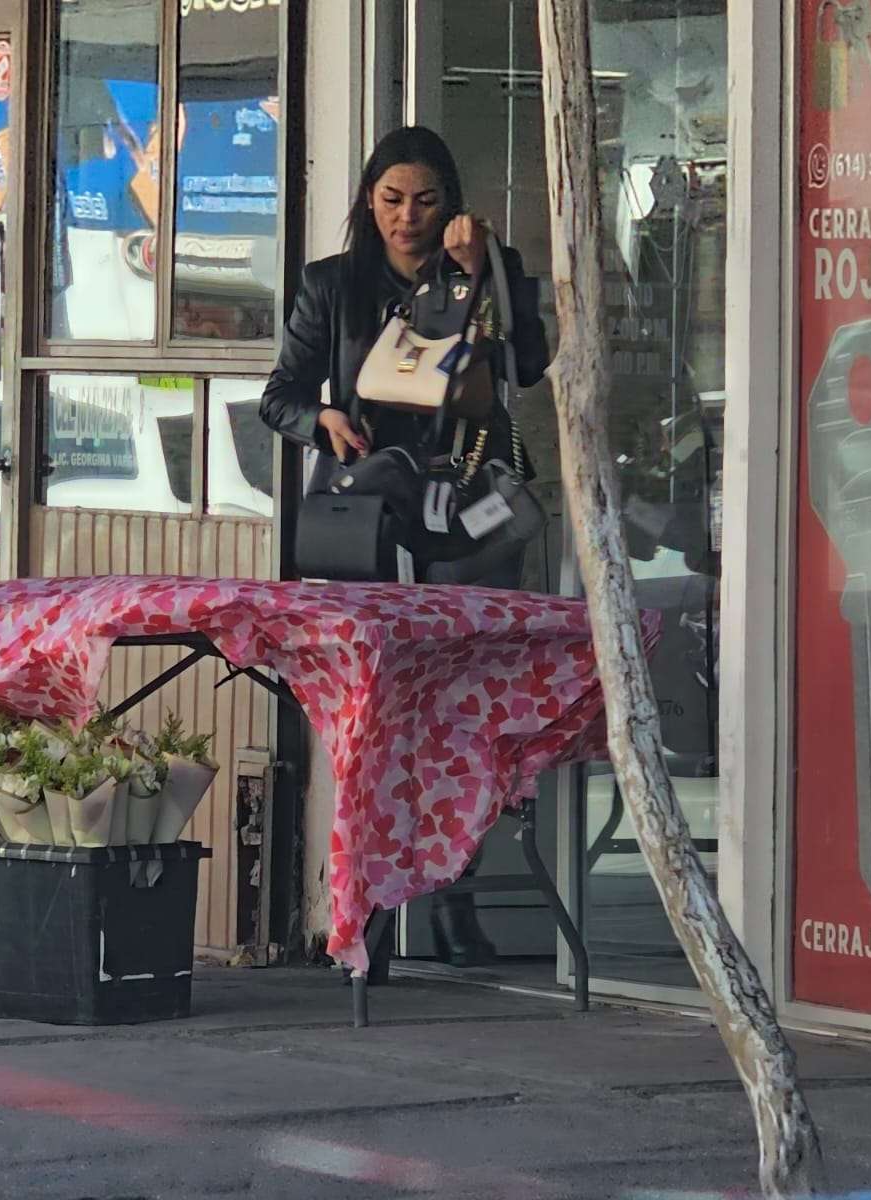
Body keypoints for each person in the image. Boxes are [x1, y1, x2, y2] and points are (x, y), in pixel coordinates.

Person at [259, 125, 550, 974]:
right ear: (368, 200)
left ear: (450, 203)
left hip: (467, 508)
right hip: (371, 510)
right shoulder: (333, 283)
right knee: (377, 715)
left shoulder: (482, 266)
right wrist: (320, 417)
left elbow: (528, 367)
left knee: (466, 710)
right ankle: (371, 915)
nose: (407, 217)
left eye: (425, 201)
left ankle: (456, 900)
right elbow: (279, 394)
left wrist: (483, 269)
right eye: (391, 200)